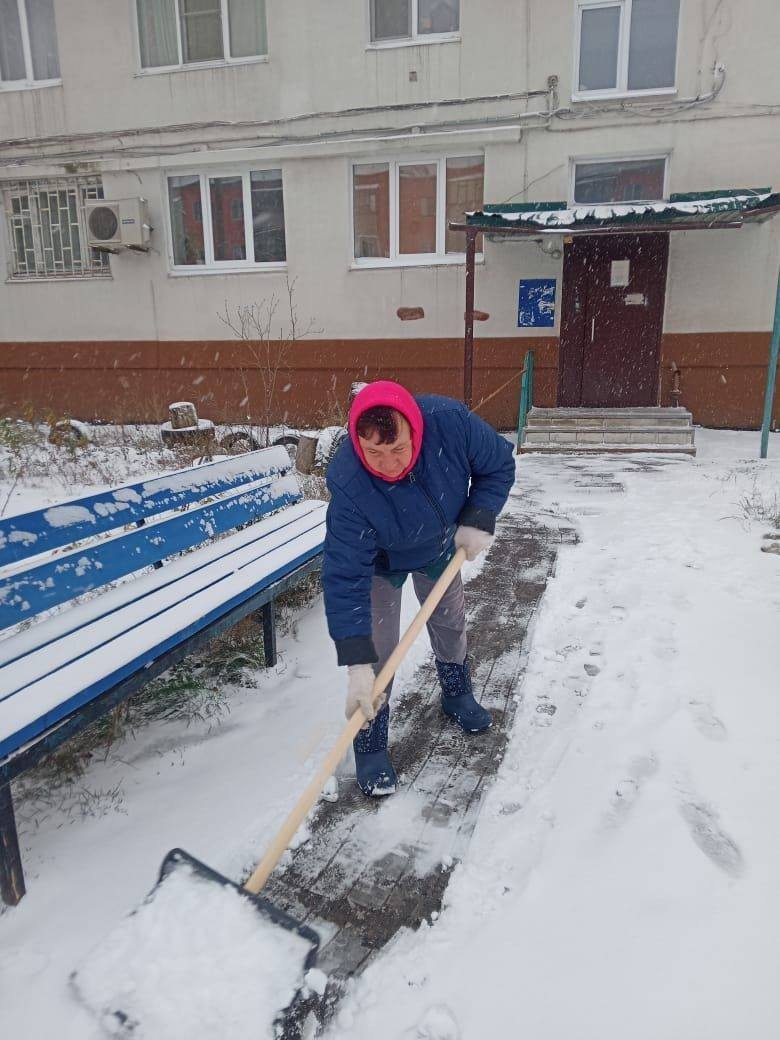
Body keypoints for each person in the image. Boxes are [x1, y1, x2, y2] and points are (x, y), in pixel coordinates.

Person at [322, 380, 515, 796]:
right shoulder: (349, 483)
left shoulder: (450, 424)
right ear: (357, 441)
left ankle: (456, 691)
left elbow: (498, 464)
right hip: (380, 562)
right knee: (377, 649)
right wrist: (355, 665)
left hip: (440, 543)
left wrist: (479, 516)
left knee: (449, 622)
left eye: (397, 449)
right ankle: (370, 738)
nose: (387, 464)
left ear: (416, 431)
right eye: (373, 452)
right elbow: (344, 575)